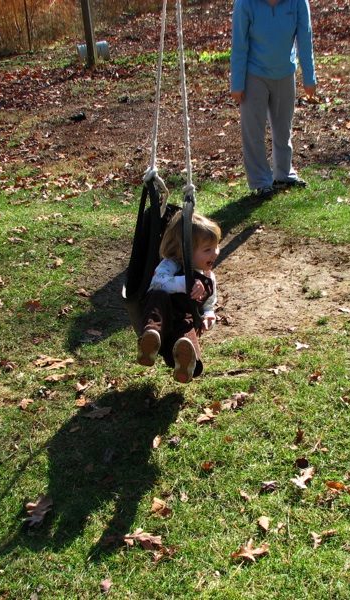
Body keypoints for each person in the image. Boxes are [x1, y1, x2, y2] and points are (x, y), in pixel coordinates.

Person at [230, 0, 317, 198]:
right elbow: (239, 43)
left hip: (285, 73)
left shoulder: (298, 3)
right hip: (253, 74)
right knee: (254, 132)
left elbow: (305, 39)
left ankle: (284, 174)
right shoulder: (245, 4)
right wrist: (237, 83)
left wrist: (309, 77)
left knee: (282, 128)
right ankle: (261, 182)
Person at [136, 211, 221, 383]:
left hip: (183, 321)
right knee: (158, 296)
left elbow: (209, 304)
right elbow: (159, 282)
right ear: (185, 252)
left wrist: (208, 318)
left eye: (216, 246)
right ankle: (150, 339)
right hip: (161, 316)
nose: (215, 253)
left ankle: (184, 363)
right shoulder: (171, 264)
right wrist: (187, 282)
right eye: (207, 250)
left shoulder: (208, 277)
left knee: (187, 339)